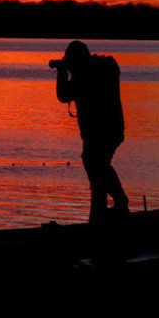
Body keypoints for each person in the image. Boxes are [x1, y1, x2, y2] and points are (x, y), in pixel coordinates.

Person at [53, 40, 128, 224]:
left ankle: (103, 214)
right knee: (97, 167)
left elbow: (63, 95)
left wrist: (62, 73)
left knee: (97, 168)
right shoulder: (100, 68)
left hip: (104, 131)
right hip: (104, 131)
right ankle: (111, 207)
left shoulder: (89, 74)